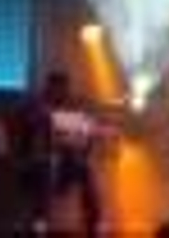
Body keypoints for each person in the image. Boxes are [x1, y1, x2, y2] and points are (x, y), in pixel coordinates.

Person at [9, 70, 105, 237]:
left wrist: (85, 141)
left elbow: (85, 136)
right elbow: (17, 129)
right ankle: (39, 226)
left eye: (65, 90)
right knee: (46, 169)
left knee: (86, 171)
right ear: (50, 87)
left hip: (64, 165)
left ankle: (94, 225)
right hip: (35, 164)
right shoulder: (32, 105)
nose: (63, 94)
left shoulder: (71, 108)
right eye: (59, 89)